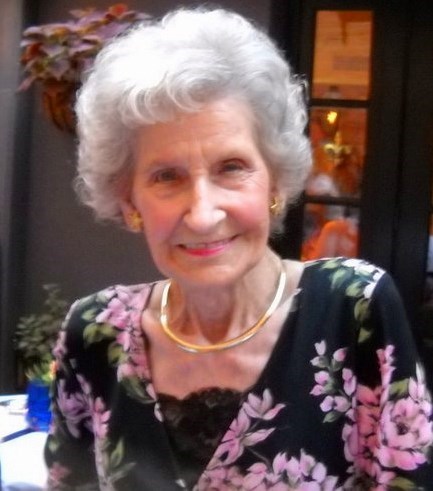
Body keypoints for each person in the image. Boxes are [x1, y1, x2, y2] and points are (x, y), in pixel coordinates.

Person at [44, 8, 433, 490]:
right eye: (167, 176)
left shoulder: (353, 309)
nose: (203, 214)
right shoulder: (94, 333)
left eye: (231, 167)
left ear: (275, 180)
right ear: (129, 202)